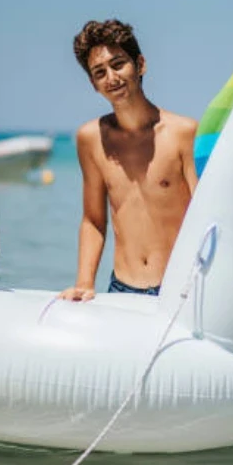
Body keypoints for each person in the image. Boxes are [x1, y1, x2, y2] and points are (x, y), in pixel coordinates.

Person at [59, 19, 198, 302]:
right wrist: (84, 284)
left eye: (118, 64)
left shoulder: (184, 133)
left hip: (178, 290)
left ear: (140, 64)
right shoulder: (91, 138)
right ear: (93, 84)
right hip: (121, 288)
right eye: (100, 72)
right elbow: (93, 220)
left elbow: (205, 217)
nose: (111, 77)